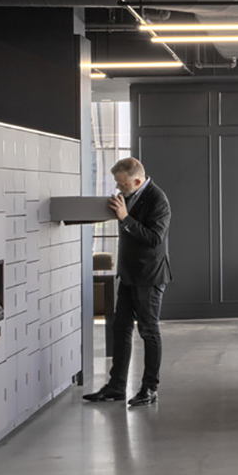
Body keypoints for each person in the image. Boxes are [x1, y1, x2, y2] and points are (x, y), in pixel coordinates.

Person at [83, 157, 171, 407]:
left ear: (137, 181)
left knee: (149, 330)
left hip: (149, 276)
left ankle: (149, 388)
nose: (118, 188)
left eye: (122, 184)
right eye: (117, 184)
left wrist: (125, 218)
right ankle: (116, 386)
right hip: (129, 274)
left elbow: (154, 238)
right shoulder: (129, 194)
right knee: (120, 328)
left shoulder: (157, 199)